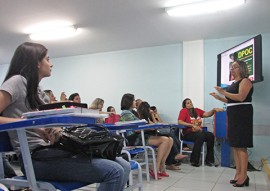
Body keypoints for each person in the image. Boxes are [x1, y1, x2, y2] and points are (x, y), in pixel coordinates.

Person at [0, 42, 130, 191]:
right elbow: (28, 122)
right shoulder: (17, 81)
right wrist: (30, 124)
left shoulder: (38, 91)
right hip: (35, 159)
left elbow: (41, 122)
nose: (51, 64)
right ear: (36, 62)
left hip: (52, 152)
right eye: (48, 59)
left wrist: (50, 129)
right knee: (114, 171)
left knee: (124, 166)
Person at [210, 60, 253, 187]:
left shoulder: (245, 81)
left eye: (234, 67)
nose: (232, 69)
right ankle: (238, 173)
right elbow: (230, 100)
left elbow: (240, 97)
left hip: (242, 115)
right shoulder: (234, 83)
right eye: (231, 67)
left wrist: (223, 92)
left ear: (242, 68)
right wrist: (219, 97)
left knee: (241, 145)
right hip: (234, 114)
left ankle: (244, 175)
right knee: (235, 145)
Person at [119, 93, 174, 179]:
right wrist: (149, 125)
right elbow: (137, 127)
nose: (135, 102)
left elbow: (144, 123)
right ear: (129, 101)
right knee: (165, 140)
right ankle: (155, 167)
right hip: (133, 138)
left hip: (140, 135)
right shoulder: (125, 113)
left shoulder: (133, 112)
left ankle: (162, 166)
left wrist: (149, 124)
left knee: (170, 139)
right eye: (134, 100)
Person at [138, 102, 187, 170]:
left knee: (170, 138)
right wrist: (153, 118)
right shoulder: (141, 118)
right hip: (147, 136)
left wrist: (153, 115)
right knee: (168, 136)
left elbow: (156, 124)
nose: (152, 111)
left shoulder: (148, 117)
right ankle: (157, 166)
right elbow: (153, 126)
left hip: (153, 133)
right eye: (149, 109)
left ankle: (163, 165)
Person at [178, 98, 223, 167]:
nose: (190, 103)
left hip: (199, 132)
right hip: (188, 134)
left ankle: (209, 160)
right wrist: (192, 125)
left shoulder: (197, 110)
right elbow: (180, 122)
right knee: (200, 135)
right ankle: (194, 160)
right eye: (188, 103)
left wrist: (213, 110)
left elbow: (207, 114)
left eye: (191, 102)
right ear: (185, 105)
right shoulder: (184, 111)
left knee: (210, 135)